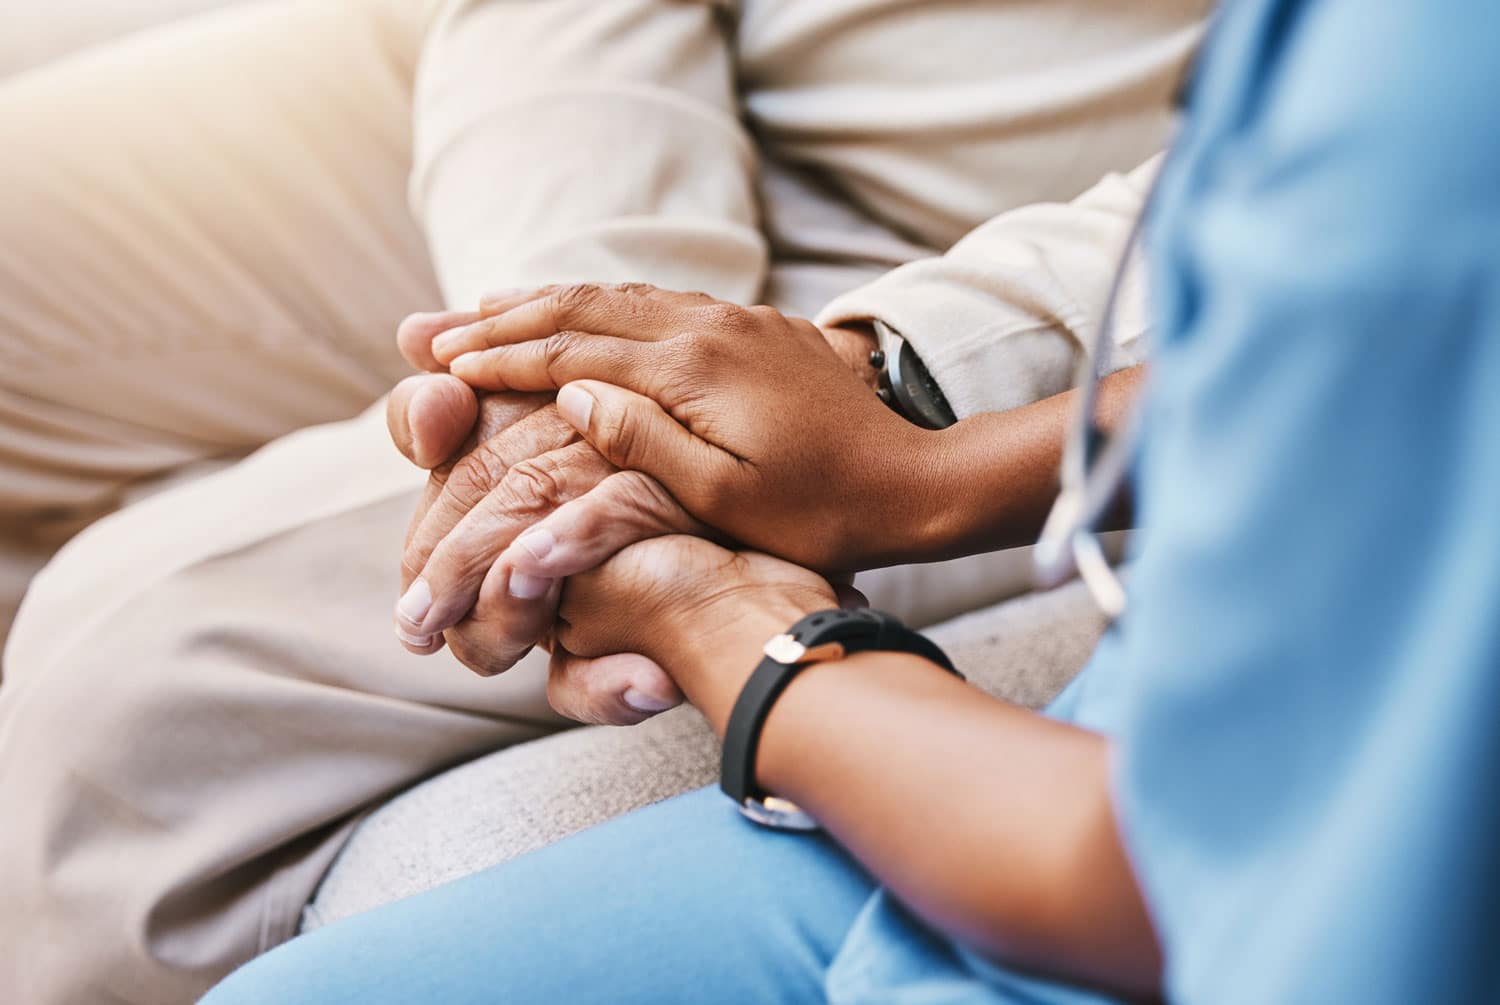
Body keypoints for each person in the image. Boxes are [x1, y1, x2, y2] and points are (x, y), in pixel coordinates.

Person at [204, 0, 1500, 1000]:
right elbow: (1351, 349)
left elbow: (1179, 877)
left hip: (1142, 892)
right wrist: (904, 472)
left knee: (181, 664)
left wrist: (744, 635)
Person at [0, 0, 1206, 1000]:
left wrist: (871, 383)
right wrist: (578, 329)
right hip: (616, 67)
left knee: (140, 660)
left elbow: (1358, 196)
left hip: (1048, 255)